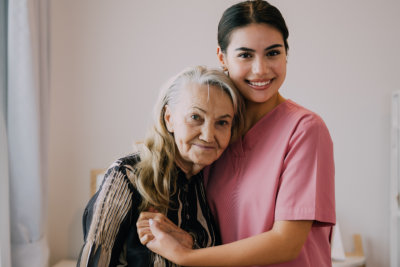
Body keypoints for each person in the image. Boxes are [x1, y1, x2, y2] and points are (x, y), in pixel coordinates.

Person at [137, 0, 335, 266]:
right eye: (245, 55)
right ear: (222, 58)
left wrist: (187, 256)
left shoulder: (305, 130)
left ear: (286, 54)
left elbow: (287, 243)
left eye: (273, 53)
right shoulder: (215, 135)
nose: (260, 69)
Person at [76, 65, 244, 267]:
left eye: (222, 122)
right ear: (169, 118)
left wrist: (189, 243)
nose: (208, 135)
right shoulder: (127, 175)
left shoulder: (213, 180)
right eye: (195, 117)